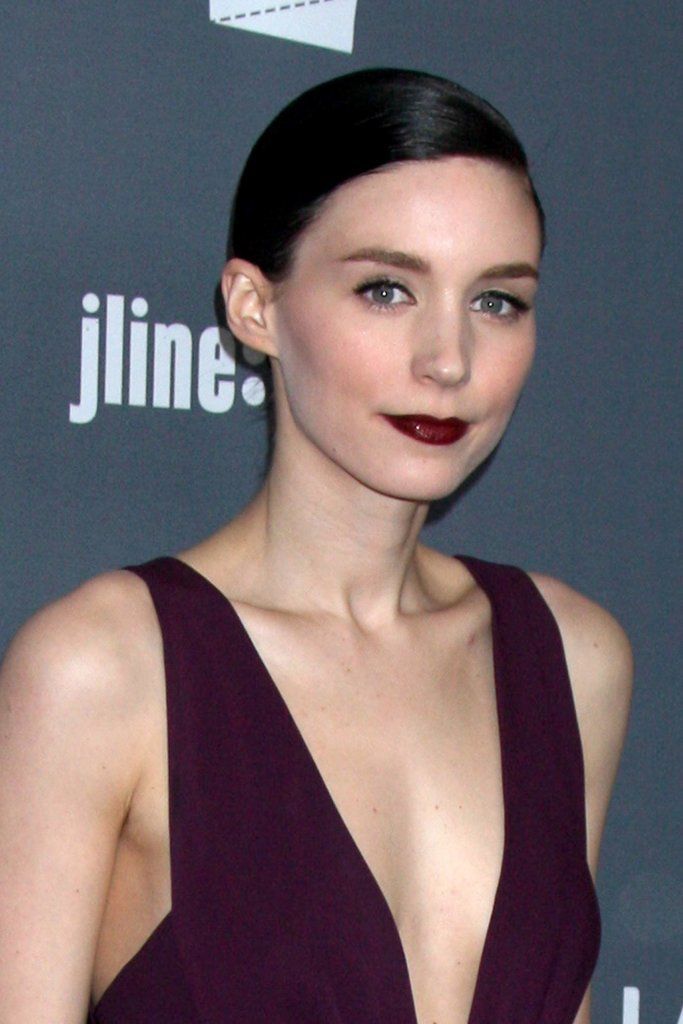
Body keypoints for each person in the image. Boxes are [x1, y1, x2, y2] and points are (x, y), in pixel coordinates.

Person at [0, 68, 632, 1024]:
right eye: (386, 289)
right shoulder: (103, 673)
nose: (449, 360)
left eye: (496, 301)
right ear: (254, 308)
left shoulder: (574, 659)